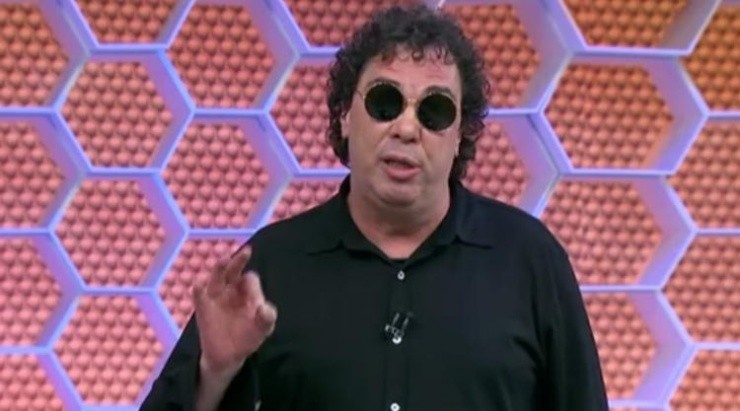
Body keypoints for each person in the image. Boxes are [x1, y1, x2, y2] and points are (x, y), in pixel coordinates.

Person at [140, 4, 608, 411]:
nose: (406, 128)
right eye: (386, 102)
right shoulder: (271, 266)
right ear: (346, 115)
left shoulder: (529, 260)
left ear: (460, 134)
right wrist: (214, 373)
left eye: (434, 111)